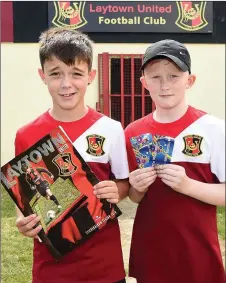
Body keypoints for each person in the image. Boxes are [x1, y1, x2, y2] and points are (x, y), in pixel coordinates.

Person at [15, 27, 129, 283]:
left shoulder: (111, 129)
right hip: (51, 268)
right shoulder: (26, 135)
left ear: (91, 76)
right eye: (56, 74)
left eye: (76, 74)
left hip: (104, 267)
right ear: (42, 76)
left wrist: (117, 191)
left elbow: (124, 184)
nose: (66, 84)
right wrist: (23, 221)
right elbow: (24, 200)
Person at [125, 39, 225, 283]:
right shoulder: (133, 132)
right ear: (144, 83)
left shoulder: (213, 129)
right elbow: (134, 196)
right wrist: (136, 187)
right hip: (151, 253)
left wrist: (187, 185)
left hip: (198, 253)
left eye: (173, 76)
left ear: (189, 80)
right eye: (155, 77)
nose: (164, 85)